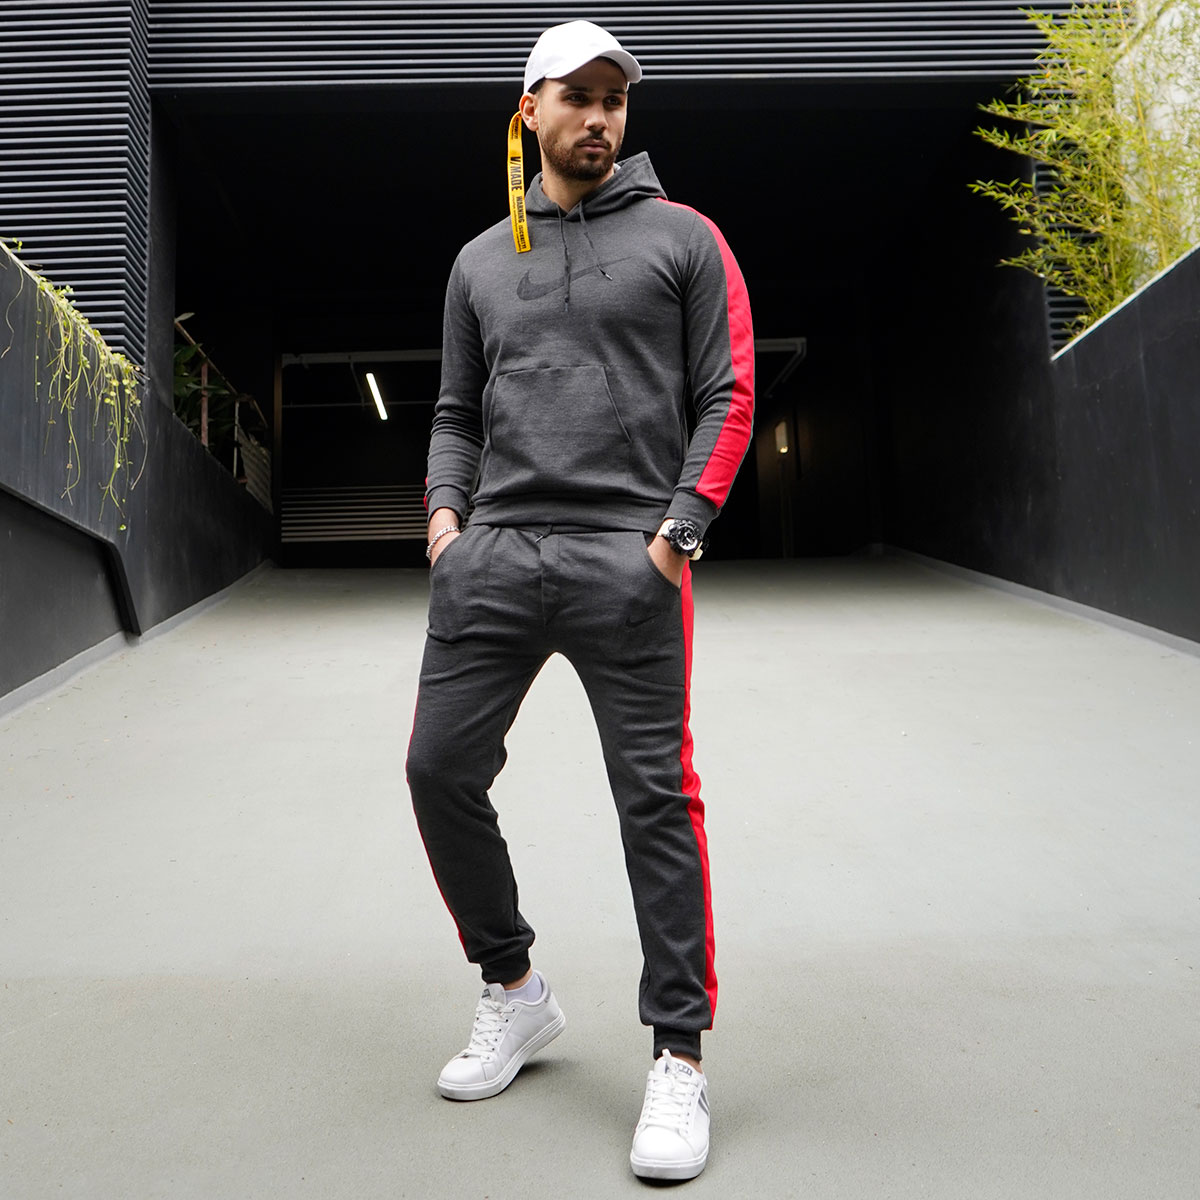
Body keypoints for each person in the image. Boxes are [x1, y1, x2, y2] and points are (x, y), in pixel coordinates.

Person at [406, 19, 753, 1182]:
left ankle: (680, 1055)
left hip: (627, 559)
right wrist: (447, 526)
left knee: (655, 803)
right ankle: (514, 987)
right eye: (578, 96)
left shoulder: (685, 239)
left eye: (616, 99)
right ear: (530, 110)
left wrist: (676, 535)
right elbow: (456, 412)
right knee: (438, 770)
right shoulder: (477, 261)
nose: (600, 116)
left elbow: (728, 394)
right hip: (495, 557)